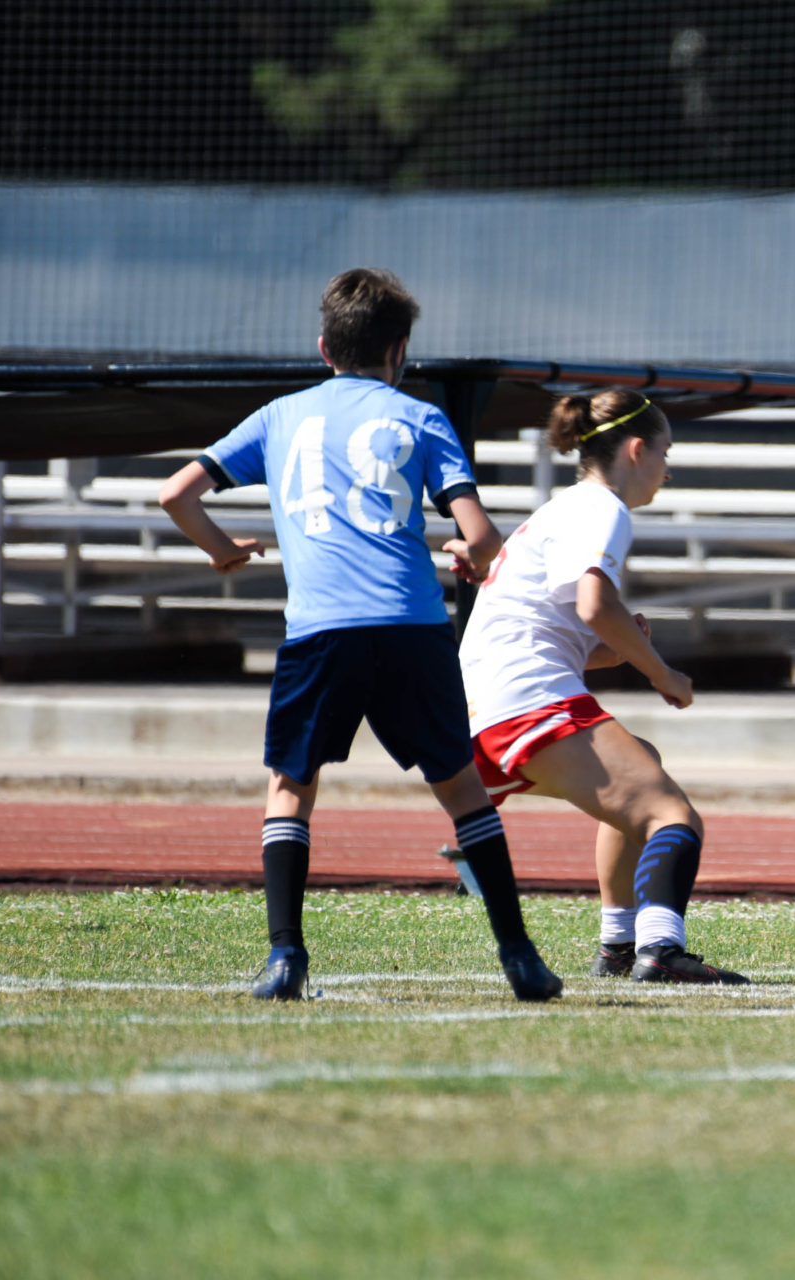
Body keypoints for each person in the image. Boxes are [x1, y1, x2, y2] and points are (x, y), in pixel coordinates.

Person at [157, 267, 561, 1002]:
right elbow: (482, 535)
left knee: (290, 789)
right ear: (399, 351)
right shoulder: (421, 417)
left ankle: (286, 959)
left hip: (322, 629)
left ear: (322, 348)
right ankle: (519, 958)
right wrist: (471, 559)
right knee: (464, 792)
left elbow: (175, 492)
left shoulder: (281, 417)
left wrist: (221, 549)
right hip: (410, 624)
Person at [458, 388, 745, 986]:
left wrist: (615, 647)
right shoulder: (602, 507)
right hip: (524, 701)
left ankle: (618, 945)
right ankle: (661, 950)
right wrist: (661, 672)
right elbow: (593, 605)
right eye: (666, 454)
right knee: (671, 815)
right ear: (637, 449)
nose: (667, 471)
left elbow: (556, 626)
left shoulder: (561, 509)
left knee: (645, 766)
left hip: (485, 707)